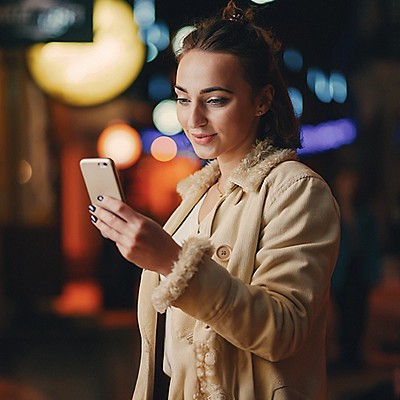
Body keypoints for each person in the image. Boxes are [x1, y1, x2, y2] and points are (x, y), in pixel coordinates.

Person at [88, 1, 340, 398]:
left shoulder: (296, 190)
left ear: (262, 100)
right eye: (184, 98)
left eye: (216, 99)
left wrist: (170, 260)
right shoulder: (197, 193)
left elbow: (283, 330)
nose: (193, 119)